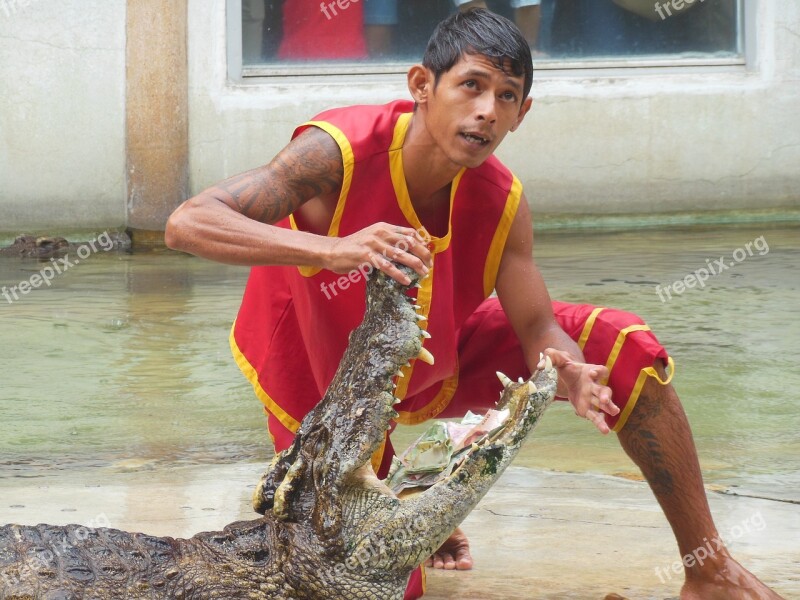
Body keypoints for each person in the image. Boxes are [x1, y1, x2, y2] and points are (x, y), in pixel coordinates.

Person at [165, 8, 783, 600]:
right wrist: (332, 250)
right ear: (421, 85)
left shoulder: (503, 199)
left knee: (622, 346)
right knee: (375, 577)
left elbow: (537, 326)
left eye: (507, 96)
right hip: (317, 367)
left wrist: (569, 370)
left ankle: (712, 570)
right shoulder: (338, 153)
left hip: (434, 343)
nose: (487, 111)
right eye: (471, 86)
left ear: (522, 112)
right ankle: (401, 498)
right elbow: (189, 222)